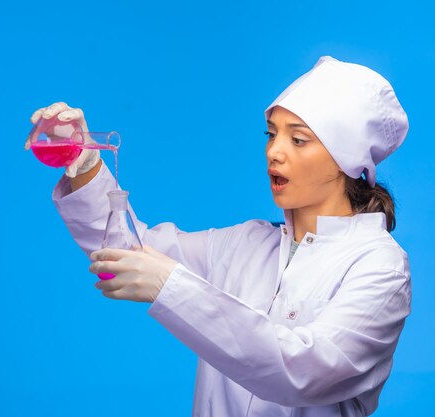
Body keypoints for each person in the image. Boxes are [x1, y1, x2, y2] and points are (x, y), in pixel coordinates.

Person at [30, 56, 411, 417]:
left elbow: (305, 371)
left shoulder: (380, 266)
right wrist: (84, 164)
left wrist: (171, 286)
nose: (273, 153)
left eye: (298, 140)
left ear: (346, 160)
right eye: (271, 134)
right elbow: (126, 250)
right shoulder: (245, 244)